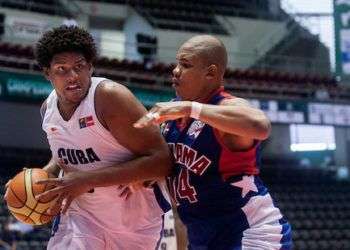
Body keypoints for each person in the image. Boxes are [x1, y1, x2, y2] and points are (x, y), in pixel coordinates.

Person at [6, 25, 172, 250]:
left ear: (90, 66)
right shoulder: (48, 109)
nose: (73, 76)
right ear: (47, 73)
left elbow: (162, 161)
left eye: (79, 67)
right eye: (62, 69)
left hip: (135, 222)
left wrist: (86, 180)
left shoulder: (109, 98)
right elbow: (62, 158)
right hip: (81, 218)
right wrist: (40, 179)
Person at [134, 35, 292, 250]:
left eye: (186, 64)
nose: (176, 70)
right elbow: (179, 212)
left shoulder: (228, 106)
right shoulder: (171, 118)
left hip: (251, 234)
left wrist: (189, 108)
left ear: (211, 72)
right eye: (177, 63)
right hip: (203, 236)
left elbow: (260, 126)